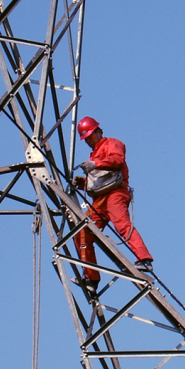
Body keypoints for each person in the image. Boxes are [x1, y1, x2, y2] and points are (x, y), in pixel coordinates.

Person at [72, 116, 154, 288]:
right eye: (85, 139)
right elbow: (98, 182)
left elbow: (117, 161)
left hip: (116, 193)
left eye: (90, 137)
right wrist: (81, 183)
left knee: (122, 224)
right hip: (100, 200)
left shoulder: (112, 144)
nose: (88, 141)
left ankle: (144, 259)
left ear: (98, 131)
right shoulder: (93, 155)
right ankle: (91, 278)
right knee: (82, 232)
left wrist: (95, 164)